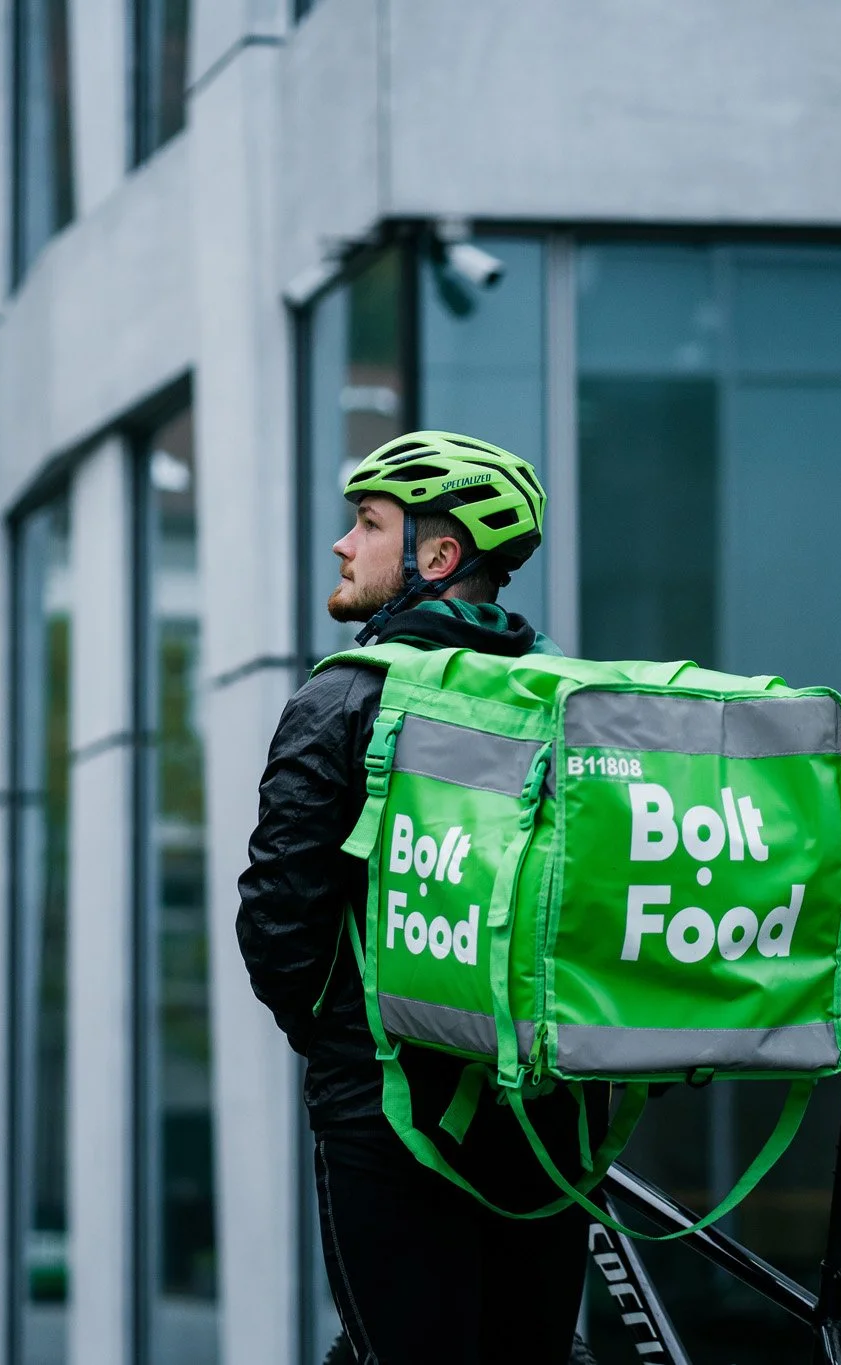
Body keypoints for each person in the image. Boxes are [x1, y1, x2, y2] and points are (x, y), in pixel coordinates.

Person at [237, 432, 594, 1365]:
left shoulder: (349, 695)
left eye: (367, 524)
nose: (343, 545)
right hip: (545, 1112)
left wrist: (343, 1046)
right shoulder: (568, 702)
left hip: (388, 1112)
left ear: (436, 558)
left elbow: (278, 916)